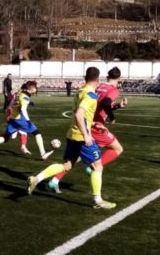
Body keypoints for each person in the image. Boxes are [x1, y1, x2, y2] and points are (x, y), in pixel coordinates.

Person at [27, 67, 115, 210]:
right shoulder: (91, 95)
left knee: (67, 165)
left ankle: (36, 179)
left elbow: (78, 114)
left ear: (85, 77)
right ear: (98, 80)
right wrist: (87, 135)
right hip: (82, 137)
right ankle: (98, 200)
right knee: (98, 166)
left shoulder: (79, 92)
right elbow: (79, 115)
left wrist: (93, 124)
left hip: (72, 134)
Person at [47, 67, 127, 195]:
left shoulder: (98, 86)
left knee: (76, 158)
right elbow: (106, 104)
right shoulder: (113, 90)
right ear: (119, 79)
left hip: (87, 124)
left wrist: (117, 106)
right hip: (96, 127)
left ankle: (55, 180)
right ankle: (92, 170)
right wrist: (112, 118)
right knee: (118, 149)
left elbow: (99, 104)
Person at [0, 81, 53, 160]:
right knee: (37, 133)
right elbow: (23, 109)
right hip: (20, 118)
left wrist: (29, 102)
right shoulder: (26, 96)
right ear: (32, 88)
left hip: (12, 118)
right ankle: (43, 153)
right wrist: (28, 120)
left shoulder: (19, 92)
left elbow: (15, 101)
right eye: (36, 88)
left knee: (6, 138)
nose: (36, 89)